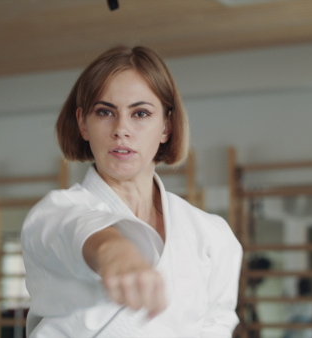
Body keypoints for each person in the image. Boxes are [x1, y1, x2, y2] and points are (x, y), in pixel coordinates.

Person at [21, 45, 243, 337]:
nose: (121, 129)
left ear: (166, 126)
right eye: (104, 112)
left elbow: (216, 327)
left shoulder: (212, 235)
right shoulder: (53, 214)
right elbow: (75, 229)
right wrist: (112, 250)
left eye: (140, 113)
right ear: (83, 124)